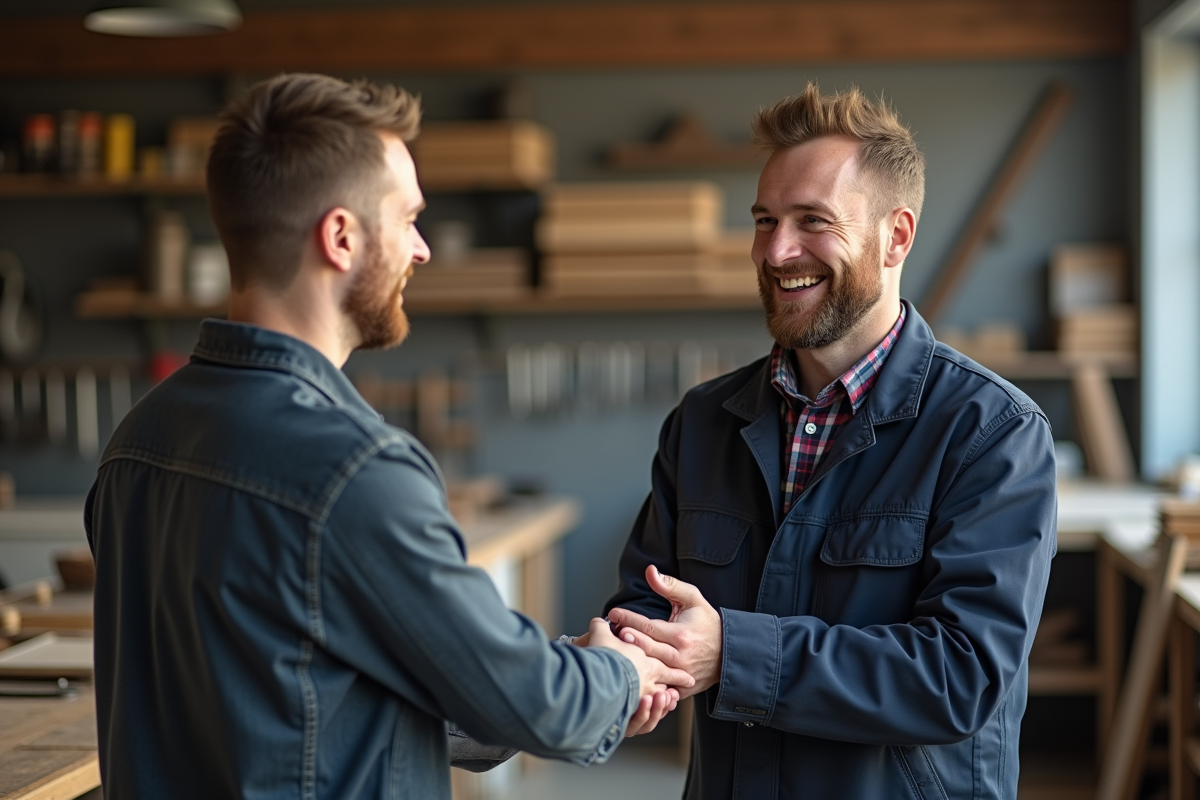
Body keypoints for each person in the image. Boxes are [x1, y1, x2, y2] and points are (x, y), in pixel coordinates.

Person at [84, 73, 690, 800]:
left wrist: (568, 674)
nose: (423, 250)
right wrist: (616, 675)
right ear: (341, 237)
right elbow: (539, 706)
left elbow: (307, 697)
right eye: (408, 220)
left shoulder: (137, 439)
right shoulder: (352, 469)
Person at [602, 83, 1057, 800]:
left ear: (896, 236)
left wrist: (735, 654)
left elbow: (961, 675)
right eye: (764, 220)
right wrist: (618, 663)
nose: (778, 251)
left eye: (813, 220)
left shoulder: (991, 432)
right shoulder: (701, 421)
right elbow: (650, 607)